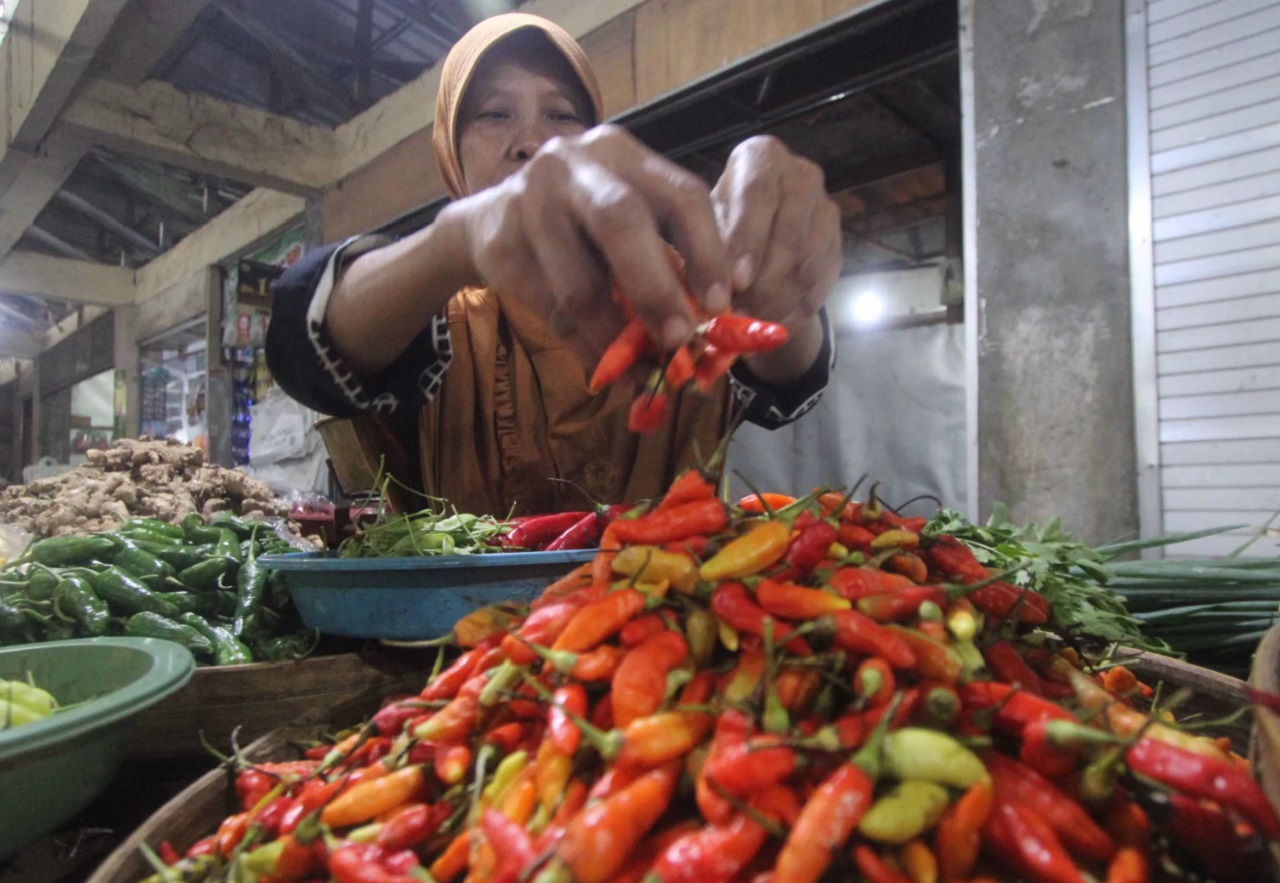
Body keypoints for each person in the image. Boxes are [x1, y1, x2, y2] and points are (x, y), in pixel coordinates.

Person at [268, 13, 842, 517]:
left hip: (665, 625)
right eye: (495, 114)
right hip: (468, 634)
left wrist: (776, 277)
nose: (532, 142)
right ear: (449, 149)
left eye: (563, 116)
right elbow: (305, 345)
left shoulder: (670, 288)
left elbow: (787, 376)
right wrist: (459, 241)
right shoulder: (430, 310)